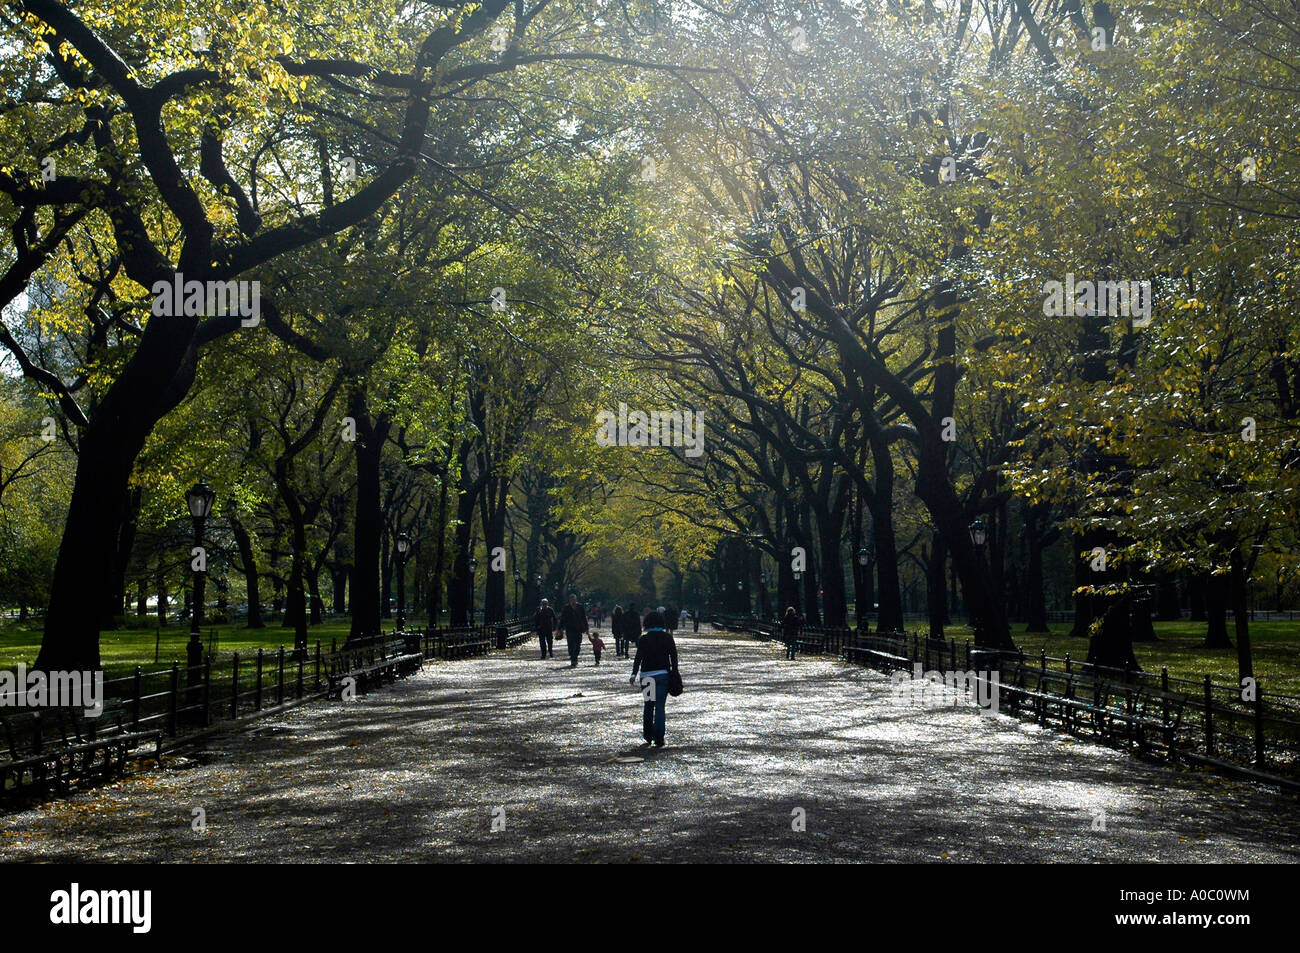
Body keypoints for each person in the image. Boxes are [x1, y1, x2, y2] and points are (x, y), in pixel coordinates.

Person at [630, 610, 679, 748]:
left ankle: (648, 735)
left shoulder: (643, 639)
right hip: (662, 675)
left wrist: (634, 674)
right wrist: (674, 672)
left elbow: (638, 657)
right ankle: (659, 737)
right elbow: (674, 657)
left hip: (647, 677)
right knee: (660, 707)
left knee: (649, 705)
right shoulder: (667, 638)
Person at [559, 594, 588, 668]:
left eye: (574, 599)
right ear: (569, 600)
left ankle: (575, 656)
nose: (573, 601)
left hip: (579, 629)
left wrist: (586, 628)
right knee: (571, 644)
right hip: (570, 629)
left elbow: (584, 617)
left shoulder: (580, 607)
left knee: (578, 644)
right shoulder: (566, 608)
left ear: (576, 599)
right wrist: (560, 628)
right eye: (571, 600)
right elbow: (563, 618)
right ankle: (573, 659)